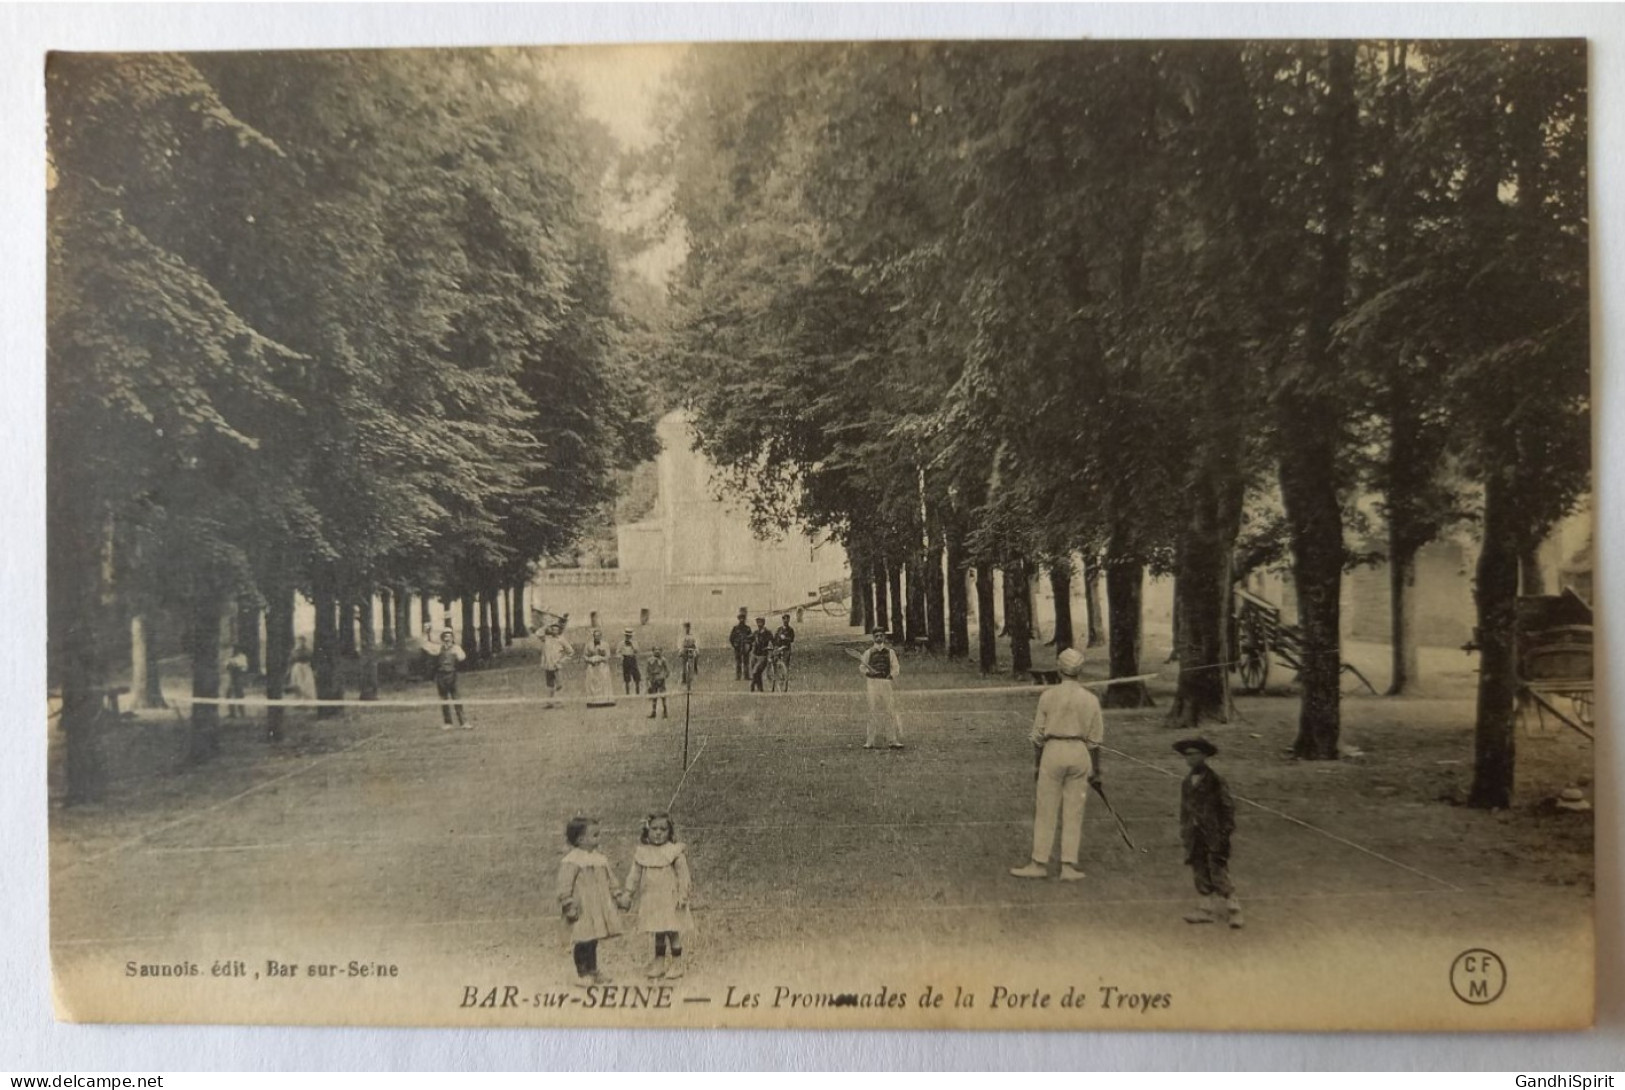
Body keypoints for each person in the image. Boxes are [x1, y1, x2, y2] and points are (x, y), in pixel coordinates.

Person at [1010, 648, 1102, 881]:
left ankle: (1039, 863)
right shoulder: (1090, 699)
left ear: (1060, 669)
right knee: (1074, 810)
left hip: (1054, 751)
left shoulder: (1048, 696)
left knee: (1046, 809)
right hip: (1079, 753)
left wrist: (1037, 765)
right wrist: (1096, 771)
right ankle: (1068, 865)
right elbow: (1094, 740)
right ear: (1079, 671)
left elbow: (1038, 736)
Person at [1174, 737, 1242, 929]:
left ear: (1203, 756)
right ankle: (1205, 909)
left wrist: (1225, 831)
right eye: (1186, 755)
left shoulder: (1216, 781)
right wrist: (1185, 829)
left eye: (1193, 754)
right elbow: (1184, 809)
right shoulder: (1186, 782)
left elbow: (1227, 807)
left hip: (1214, 833)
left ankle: (1234, 909)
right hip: (1194, 834)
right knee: (1199, 867)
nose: (1189, 758)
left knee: (1218, 868)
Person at [623, 813, 695, 979]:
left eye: (663, 829)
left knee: (672, 931)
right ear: (647, 830)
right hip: (652, 900)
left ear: (669, 832)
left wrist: (683, 895)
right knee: (658, 932)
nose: (658, 833)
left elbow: (684, 875)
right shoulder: (643, 853)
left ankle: (677, 963)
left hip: (670, 900)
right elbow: (634, 875)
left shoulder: (674, 852)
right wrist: (628, 892)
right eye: (654, 829)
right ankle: (659, 962)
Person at [557, 816, 625, 986]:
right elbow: (564, 884)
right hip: (582, 908)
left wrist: (618, 895)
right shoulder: (572, 860)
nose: (598, 839)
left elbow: (611, 879)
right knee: (582, 940)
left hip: (597, 908)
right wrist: (568, 904)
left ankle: (593, 970)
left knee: (593, 940)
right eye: (595, 835)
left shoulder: (600, 859)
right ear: (581, 839)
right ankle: (582, 974)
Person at [858, 628, 904, 750]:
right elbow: (862, 667)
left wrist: (891, 675)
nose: (878, 638)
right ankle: (870, 741)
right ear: (873, 637)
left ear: (884, 637)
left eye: (881, 635)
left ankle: (893, 740)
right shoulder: (868, 652)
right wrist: (869, 673)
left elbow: (896, 667)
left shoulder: (890, 652)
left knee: (890, 711)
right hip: (872, 684)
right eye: (876, 636)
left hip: (886, 684)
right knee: (872, 711)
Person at [422, 625, 469, 729]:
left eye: (449, 636)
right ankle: (448, 723)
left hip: (452, 675)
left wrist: (456, 653)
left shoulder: (456, 648)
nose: (447, 638)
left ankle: (463, 722)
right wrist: (426, 633)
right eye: (445, 636)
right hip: (441, 676)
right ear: (442, 638)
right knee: (444, 699)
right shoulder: (438, 648)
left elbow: (462, 657)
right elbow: (426, 646)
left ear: (452, 638)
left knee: (457, 699)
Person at [539, 623, 575, 708]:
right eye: (553, 629)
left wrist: (562, 660)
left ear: (559, 630)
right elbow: (538, 633)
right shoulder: (547, 638)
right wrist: (545, 626)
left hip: (556, 665)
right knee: (549, 684)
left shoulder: (561, 640)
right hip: (548, 665)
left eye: (556, 629)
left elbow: (571, 652)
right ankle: (550, 703)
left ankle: (559, 702)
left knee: (559, 684)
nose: (554, 631)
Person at [582, 629, 614, 705]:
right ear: (593, 636)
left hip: (602, 666)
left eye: (598, 635)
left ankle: (605, 700)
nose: (597, 637)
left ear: (601, 636)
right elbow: (585, 656)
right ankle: (593, 701)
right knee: (592, 683)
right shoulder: (588, 644)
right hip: (592, 666)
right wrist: (590, 660)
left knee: (604, 681)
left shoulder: (605, 644)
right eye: (595, 636)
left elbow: (608, 656)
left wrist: (600, 658)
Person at [748, 616, 773, 693]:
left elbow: (773, 641)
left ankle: (752, 686)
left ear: (763, 623)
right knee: (757, 673)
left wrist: (770, 649)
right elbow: (749, 639)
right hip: (754, 655)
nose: (759, 624)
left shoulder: (768, 633)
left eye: (760, 622)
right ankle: (760, 689)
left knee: (755, 671)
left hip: (763, 656)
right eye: (758, 622)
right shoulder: (755, 633)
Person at [286, 636, 316, 700]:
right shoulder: (294, 651)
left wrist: (313, 669)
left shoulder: (308, 651)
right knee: (298, 683)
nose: (300, 642)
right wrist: (289, 670)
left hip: (306, 668)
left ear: (304, 642)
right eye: (299, 641)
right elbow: (291, 661)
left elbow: (312, 660)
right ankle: (298, 699)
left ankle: (307, 699)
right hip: (297, 668)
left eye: (302, 641)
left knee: (307, 684)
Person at [645, 646, 671, 719]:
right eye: (655, 650)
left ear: (661, 651)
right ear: (652, 651)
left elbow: (667, 671)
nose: (657, 651)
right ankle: (653, 712)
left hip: (661, 679)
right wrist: (648, 680)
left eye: (659, 650)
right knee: (654, 697)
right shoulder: (650, 660)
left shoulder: (663, 660)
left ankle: (665, 712)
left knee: (663, 696)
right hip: (653, 680)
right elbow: (647, 671)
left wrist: (663, 676)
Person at [225, 646, 249, 718]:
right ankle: (232, 713)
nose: (234, 651)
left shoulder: (242, 657)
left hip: (239, 678)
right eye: (234, 650)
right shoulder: (231, 657)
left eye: (236, 649)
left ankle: (242, 713)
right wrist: (230, 665)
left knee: (239, 695)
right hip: (232, 678)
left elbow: (244, 668)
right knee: (229, 695)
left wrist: (237, 666)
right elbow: (227, 667)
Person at [729, 611, 752, 681]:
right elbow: (731, 638)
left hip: (745, 647)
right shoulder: (735, 628)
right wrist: (734, 645)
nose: (742, 620)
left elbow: (751, 638)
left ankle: (746, 676)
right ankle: (738, 676)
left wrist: (749, 647)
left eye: (743, 618)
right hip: (738, 648)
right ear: (738, 619)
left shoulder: (748, 628)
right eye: (740, 618)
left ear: (744, 619)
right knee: (738, 662)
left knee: (746, 662)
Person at [618, 629, 642, 695]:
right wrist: (621, 657)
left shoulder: (635, 643)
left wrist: (632, 645)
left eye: (630, 636)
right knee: (626, 677)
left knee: (637, 676)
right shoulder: (621, 643)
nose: (628, 637)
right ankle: (627, 693)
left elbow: (637, 651)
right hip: (625, 659)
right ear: (625, 636)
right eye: (627, 636)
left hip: (632, 659)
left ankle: (638, 692)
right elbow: (618, 652)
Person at [679, 622, 700, 691]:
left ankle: (694, 669)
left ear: (690, 628)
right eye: (686, 627)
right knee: (683, 665)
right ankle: (683, 678)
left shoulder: (693, 635)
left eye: (688, 627)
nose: (687, 629)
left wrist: (696, 649)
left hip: (691, 649)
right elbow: (680, 643)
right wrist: (680, 650)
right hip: (684, 650)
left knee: (694, 658)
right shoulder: (682, 635)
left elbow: (696, 642)